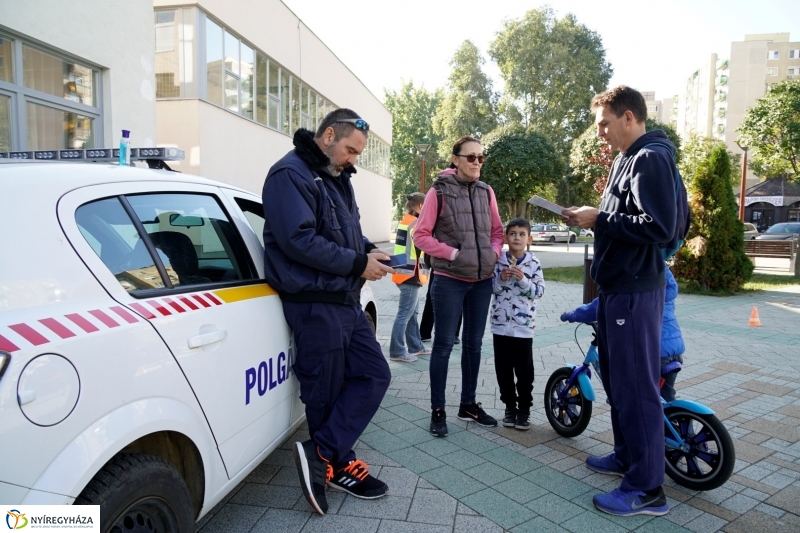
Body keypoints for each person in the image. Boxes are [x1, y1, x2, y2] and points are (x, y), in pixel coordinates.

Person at [562, 85, 689, 517]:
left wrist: (599, 218)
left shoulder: (651, 158)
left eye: (604, 123)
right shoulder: (626, 159)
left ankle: (647, 488)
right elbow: (631, 221)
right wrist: (595, 219)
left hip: (636, 292)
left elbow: (661, 225)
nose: (600, 132)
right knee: (618, 382)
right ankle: (626, 457)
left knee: (637, 391)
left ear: (629, 117)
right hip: (620, 289)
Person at [262, 109, 393, 516]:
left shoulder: (336, 178)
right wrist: (357, 264)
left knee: (375, 374)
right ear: (329, 135)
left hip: (344, 301)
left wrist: (369, 250)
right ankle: (333, 464)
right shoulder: (290, 175)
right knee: (326, 391)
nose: (354, 159)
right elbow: (299, 240)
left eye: (358, 153)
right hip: (315, 303)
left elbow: (345, 232)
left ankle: (321, 454)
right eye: (351, 150)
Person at [414, 135, 504, 437]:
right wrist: (454, 254)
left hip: (481, 282)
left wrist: (492, 253)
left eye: (481, 157)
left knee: (474, 345)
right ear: (456, 159)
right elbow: (421, 235)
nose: (477, 162)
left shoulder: (486, 191)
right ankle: (437, 409)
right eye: (471, 157)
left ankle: (468, 404)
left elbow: (497, 231)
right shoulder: (438, 191)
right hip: (450, 280)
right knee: (442, 346)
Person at [561, 263, 685, 403]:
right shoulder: (662, 283)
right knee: (664, 399)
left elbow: (599, 305)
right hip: (675, 350)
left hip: (652, 351)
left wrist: (571, 315)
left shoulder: (633, 277)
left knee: (626, 396)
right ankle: (675, 420)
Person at [491, 218, 545, 431]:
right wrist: (501, 279)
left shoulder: (534, 263)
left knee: (524, 371)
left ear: (529, 239)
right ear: (505, 238)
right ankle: (509, 407)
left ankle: (524, 409)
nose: (517, 238)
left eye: (522, 234)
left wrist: (523, 280)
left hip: (523, 328)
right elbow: (491, 289)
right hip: (500, 326)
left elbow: (539, 292)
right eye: (513, 234)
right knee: (503, 370)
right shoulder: (499, 262)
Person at [389, 192, 430, 362]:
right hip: (410, 274)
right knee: (405, 313)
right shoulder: (416, 224)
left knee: (412, 313)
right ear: (421, 206)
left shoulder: (406, 221)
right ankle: (397, 351)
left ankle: (415, 346)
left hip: (404, 271)